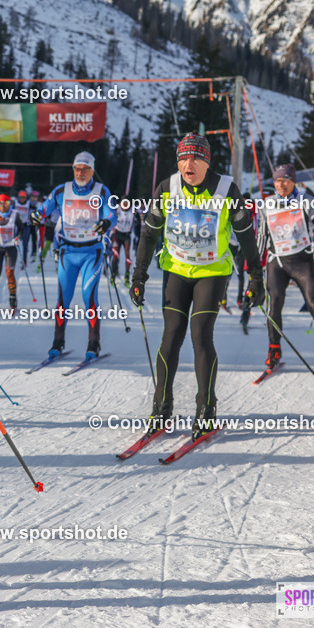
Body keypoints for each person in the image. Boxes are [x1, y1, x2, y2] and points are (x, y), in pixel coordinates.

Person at [130, 134, 264, 440]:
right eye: (182, 158)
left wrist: (256, 277)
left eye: (195, 158)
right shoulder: (167, 187)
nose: (188, 164)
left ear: (207, 162)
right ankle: (161, 408)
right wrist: (138, 276)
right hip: (176, 270)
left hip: (212, 272)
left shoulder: (227, 190)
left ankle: (206, 410)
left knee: (200, 335)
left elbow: (245, 235)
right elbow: (149, 234)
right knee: (171, 336)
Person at [257, 164, 314, 370]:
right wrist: (255, 263)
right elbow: (262, 234)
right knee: (274, 305)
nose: (281, 185)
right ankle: (274, 350)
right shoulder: (267, 204)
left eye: (286, 180)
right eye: (278, 180)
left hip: (302, 263)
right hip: (277, 263)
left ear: (294, 182)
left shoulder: (307, 201)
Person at [32, 151, 116, 361]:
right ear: (73, 169)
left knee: (89, 297)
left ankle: (93, 343)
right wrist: (37, 215)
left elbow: (111, 214)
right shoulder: (62, 190)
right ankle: (57, 342)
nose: (81, 173)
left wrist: (106, 222)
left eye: (85, 169)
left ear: (92, 171)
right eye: (77, 169)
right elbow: (44, 208)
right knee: (63, 299)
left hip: (91, 252)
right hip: (67, 252)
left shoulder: (101, 191)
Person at [110, 199, 135, 284]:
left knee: (128, 256)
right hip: (117, 235)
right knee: (116, 255)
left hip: (127, 236)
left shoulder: (132, 211)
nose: (125, 205)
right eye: (123, 203)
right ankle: (113, 275)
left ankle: (127, 276)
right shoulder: (116, 210)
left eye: (127, 203)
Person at [13, 189, 34, 267]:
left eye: (24, 197)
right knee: (14, 243)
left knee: (25, 244)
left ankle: (24, 260)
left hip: (25, 225)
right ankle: (13, 259)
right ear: (19, 197)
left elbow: (35, 210)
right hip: (17, 226)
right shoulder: (15, 203)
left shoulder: (28, 204)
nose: (22, 199)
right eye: (21, 197)